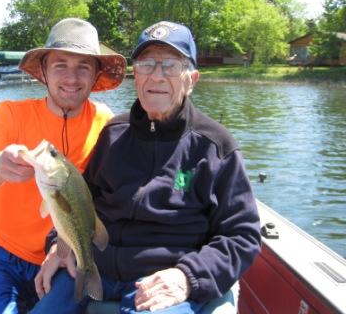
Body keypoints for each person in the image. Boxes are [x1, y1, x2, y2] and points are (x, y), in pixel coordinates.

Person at [30, 21, 261, 314]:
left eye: (171, 65)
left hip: (162, 278)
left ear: (192, 79)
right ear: (135, 75)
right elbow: (77, 203)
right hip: (93, 266)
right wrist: (57, 247)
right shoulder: (113, 133)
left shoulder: (215, 146)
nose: (158, 76)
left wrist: (187, 277)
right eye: (147, 64)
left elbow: (243, 235)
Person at [0, 18, 126, 314]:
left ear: (96, 75)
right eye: (60, 65)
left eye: (83, 67)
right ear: (44, 71)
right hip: (0, 255)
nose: (71, 78)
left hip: (63, 258)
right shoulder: (9, 114)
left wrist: (65, 250)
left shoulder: (106, 125)